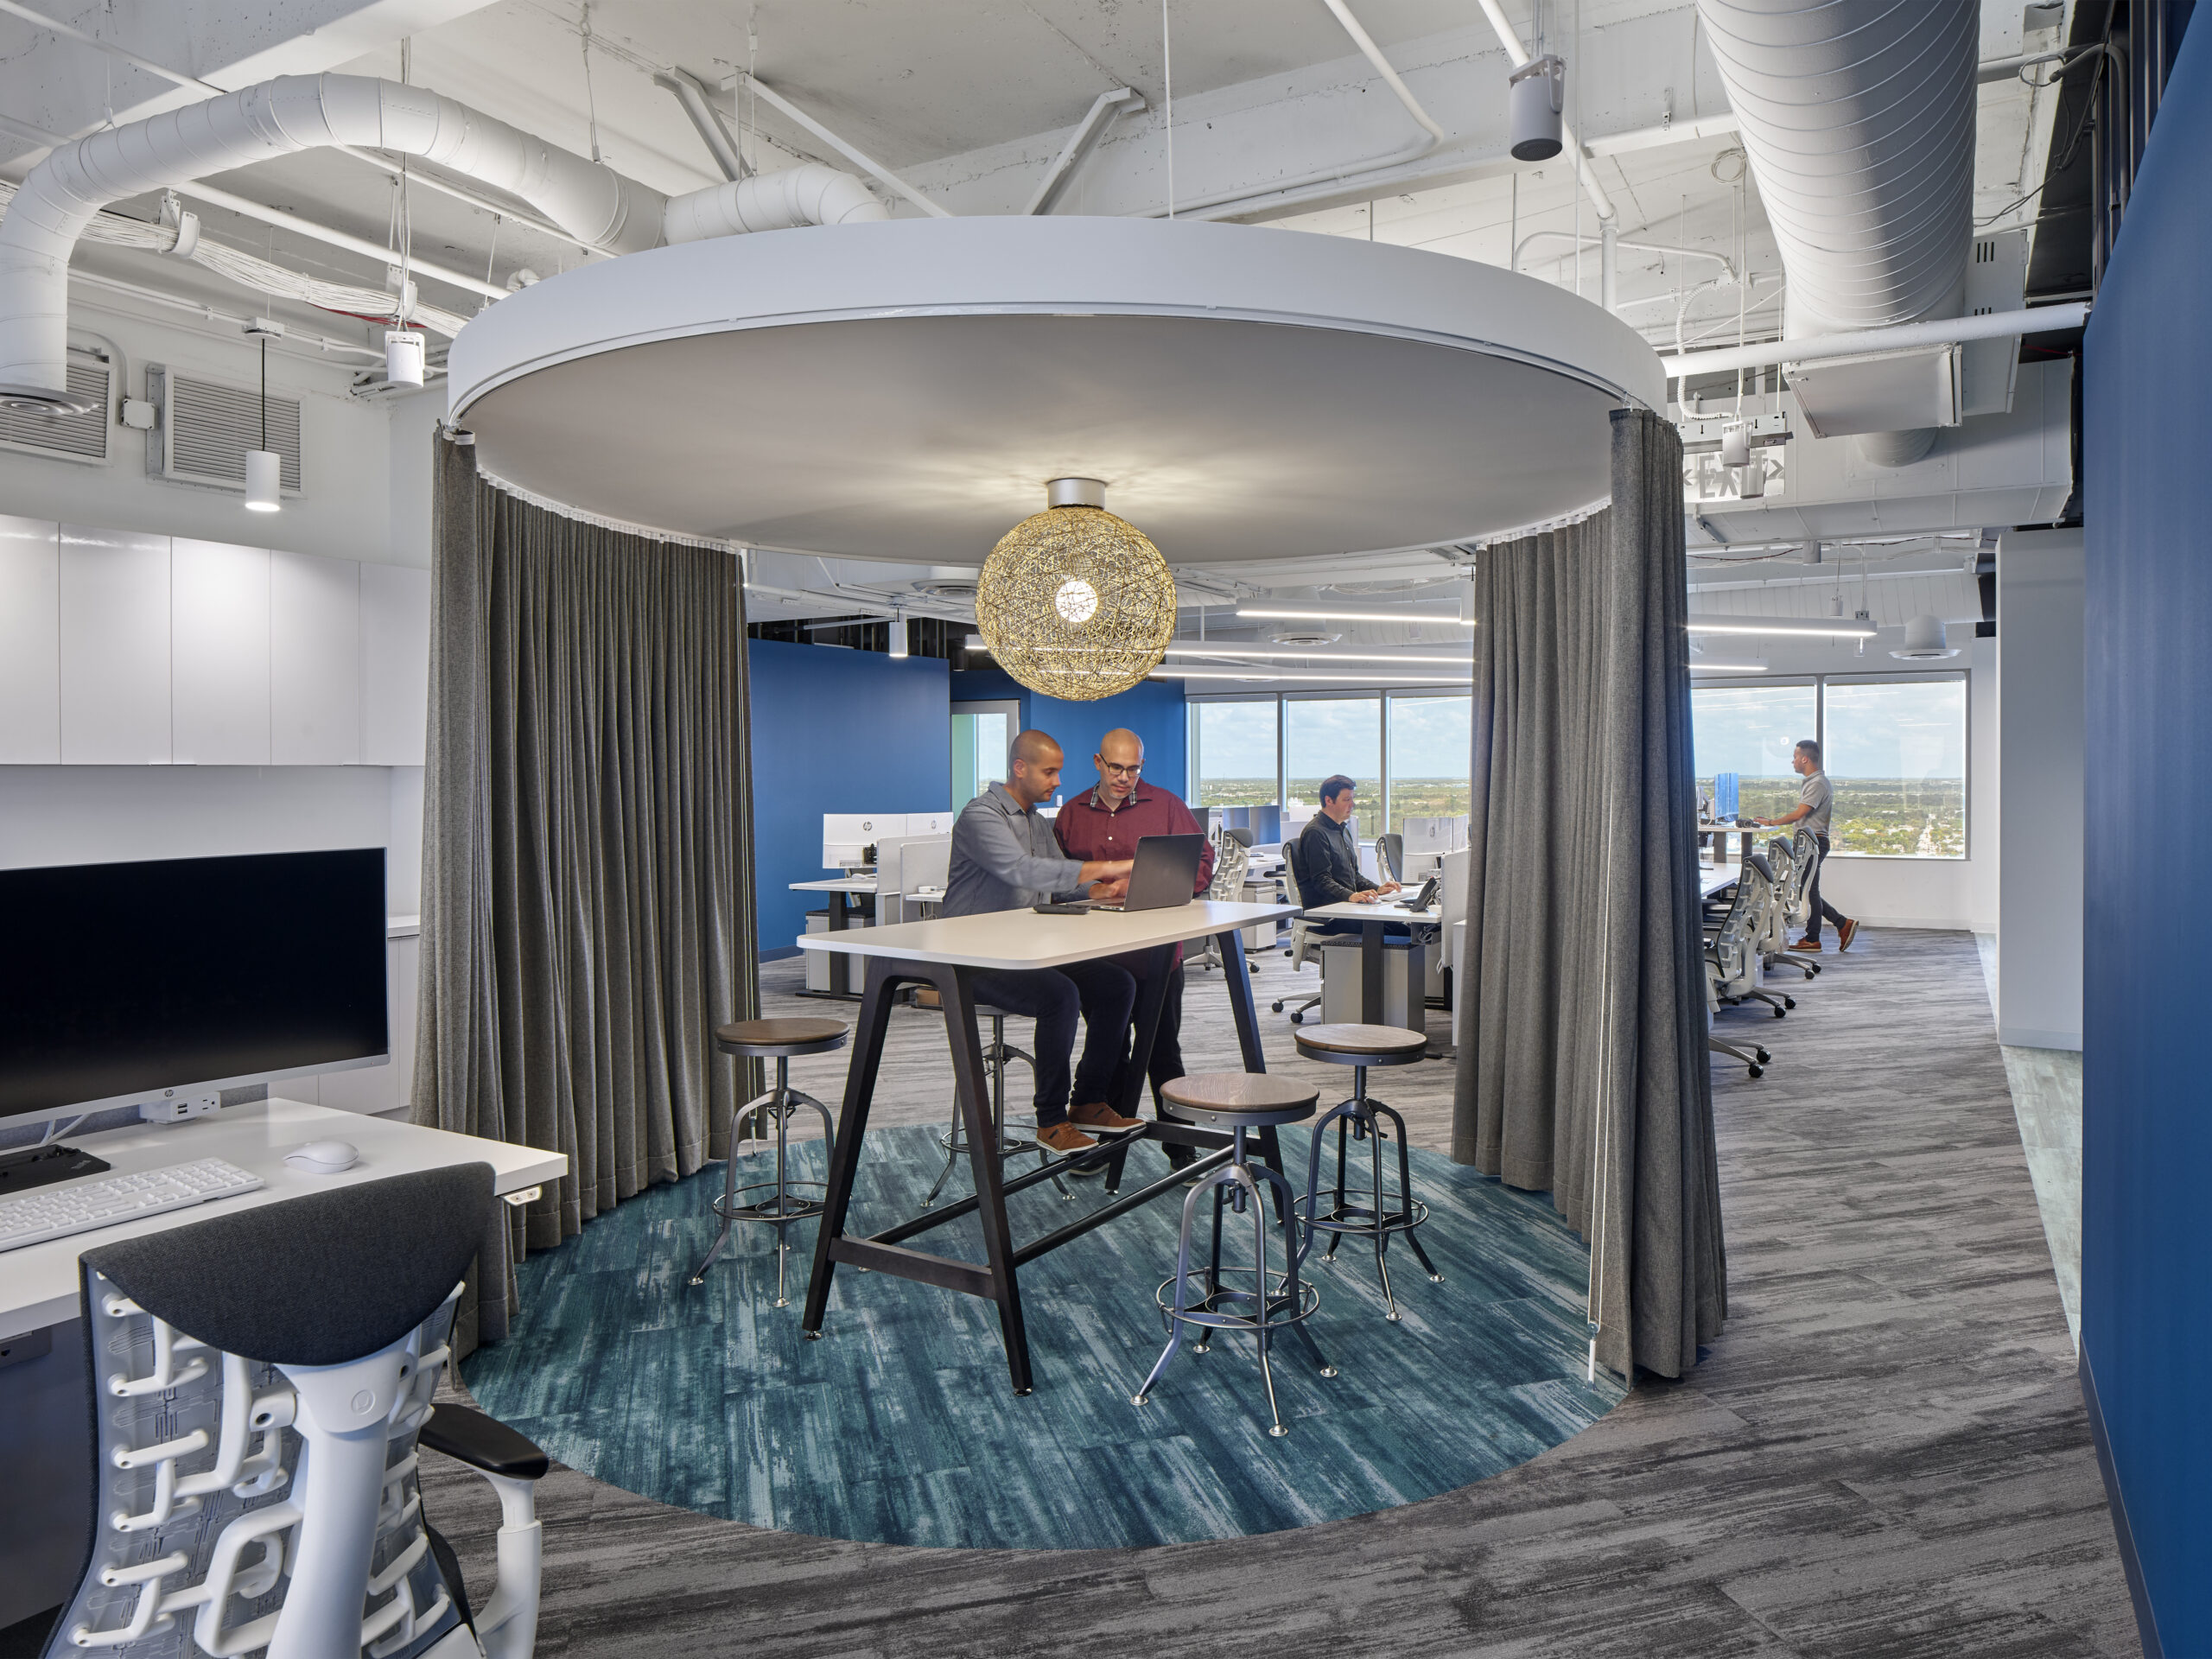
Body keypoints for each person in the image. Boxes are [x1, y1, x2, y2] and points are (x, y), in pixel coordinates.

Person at [944, 728, 1141, 1157]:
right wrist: (1107, 866)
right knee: (1060, 995)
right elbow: (1023, 871)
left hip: (1024, 950)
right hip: (971, 958)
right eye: (1049, 772)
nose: (1057, 781)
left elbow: (1057, 882)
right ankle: (1051, 1120)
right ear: (1020, 768)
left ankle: (1087, 1100)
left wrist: (1101, 892)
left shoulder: (1035, 821)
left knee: (1117, 985)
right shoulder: (981, 816)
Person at [1052, 728, 1214, 1123]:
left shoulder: (1167, 806)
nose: (1124, 778)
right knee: (1108, 1051)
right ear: (1098, 762)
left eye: (1134, 769)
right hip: (1097, 957)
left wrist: (1148, 885)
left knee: (1163, 1051)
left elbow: (1201, 863)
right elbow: (1055, 879)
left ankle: (1180, 1143)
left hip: (1157, 955)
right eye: (1116, 768)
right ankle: (1112, 1141)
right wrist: (1095, 888)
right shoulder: (1071, 814)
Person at [1755, 738, 1858, 952]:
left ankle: (1814, 938)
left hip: (1813, 842)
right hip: (1810, 842)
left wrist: (1771, 822)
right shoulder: (1814, 782)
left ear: (1805, 759)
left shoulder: (1818, 783)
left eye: (1795, 757)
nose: (1792, 761)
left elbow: (1800, 814)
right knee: (1806, 889)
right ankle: (1841, 924)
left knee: (1809, 890)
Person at [1294, 774, 1402, 930]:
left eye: (1352, 799)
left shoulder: (1343, 831)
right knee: (1398, 930)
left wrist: (1378, 889)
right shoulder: (1316, 833)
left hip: (1347, 908)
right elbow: (1321, 880)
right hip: (1330, 914)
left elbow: (1354, 876)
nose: (1352, 804)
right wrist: (1351, 895)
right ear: (1328, 800)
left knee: (1403, 926)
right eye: (1346, 800)